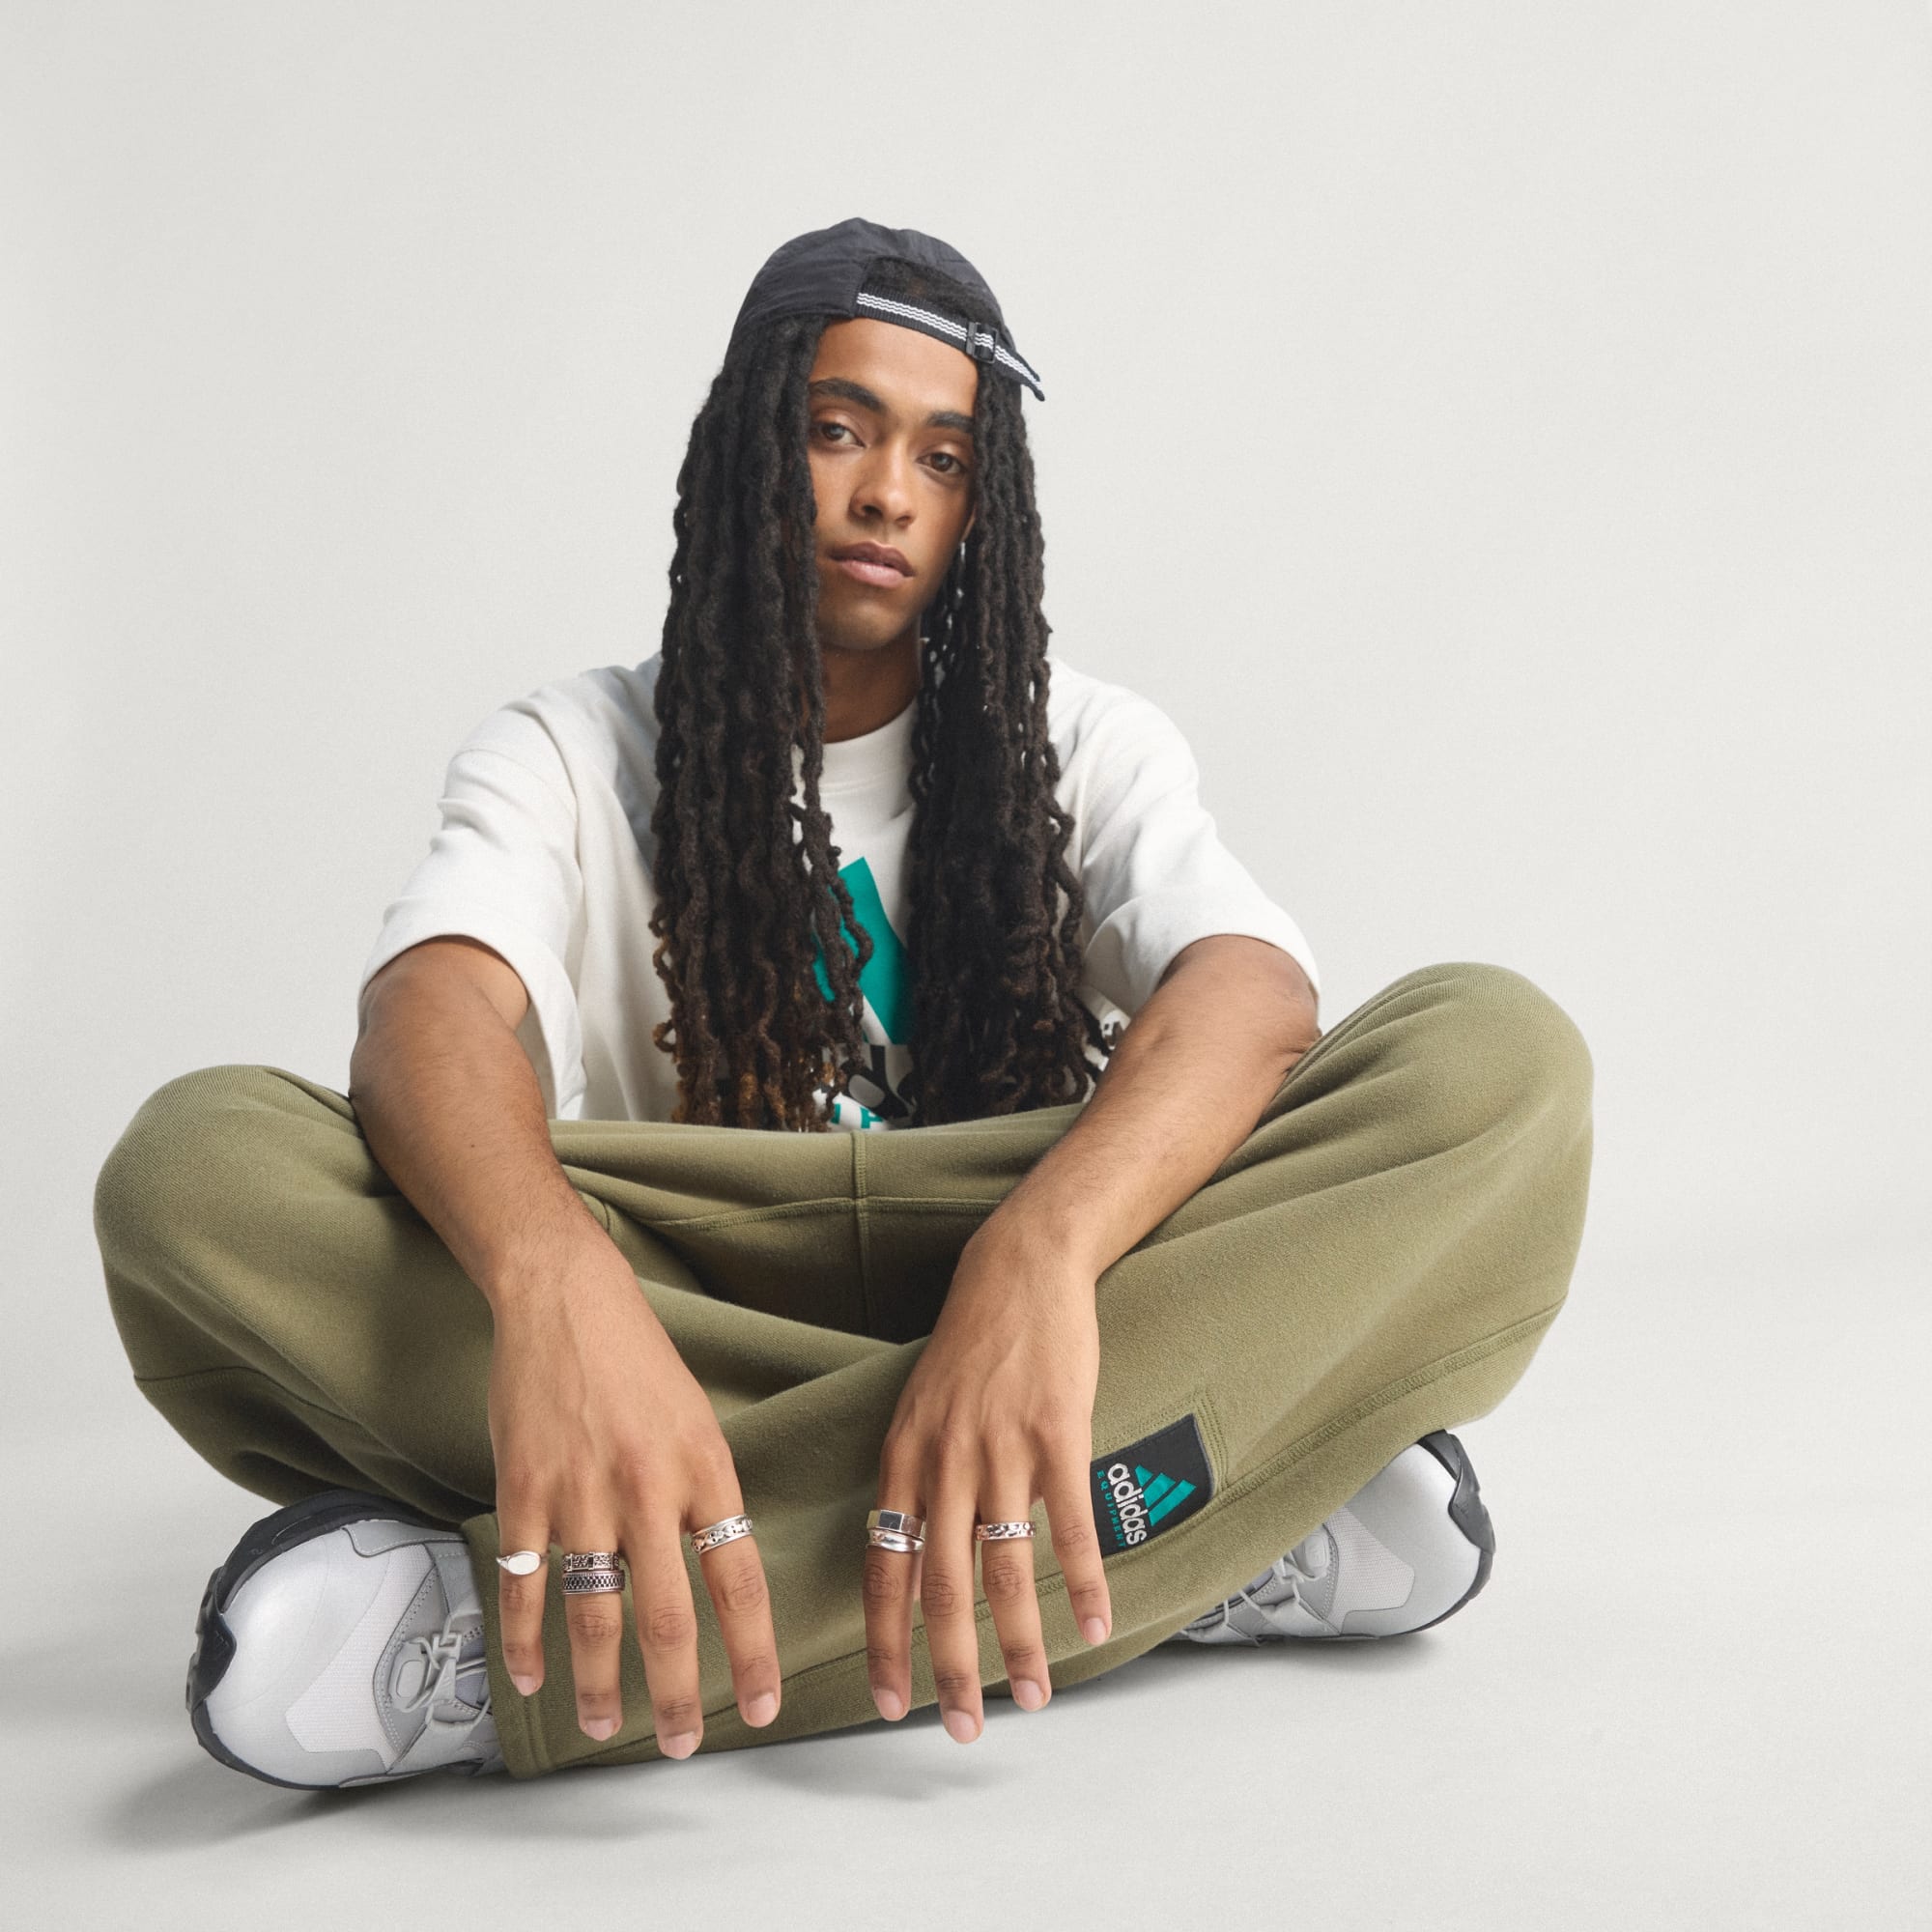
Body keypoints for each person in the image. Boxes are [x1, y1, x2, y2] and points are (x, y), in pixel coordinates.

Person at [93, 217, 1595, 1790]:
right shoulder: (567, 749)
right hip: (688, 1299)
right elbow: (434, 1018)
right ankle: (1176, 1518)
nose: (888, 492)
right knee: (201, 1170)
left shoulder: (1087, 744)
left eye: (944, 458)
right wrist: (553, 1287)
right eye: (837, 431)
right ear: (748, 447)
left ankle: (517, 1641)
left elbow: (1249, 992)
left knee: (1491, 1058)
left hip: (1032, 1275)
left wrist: (1039, 1256)